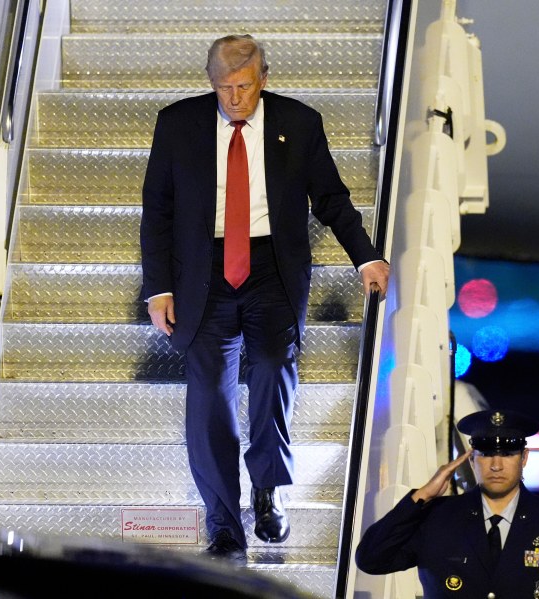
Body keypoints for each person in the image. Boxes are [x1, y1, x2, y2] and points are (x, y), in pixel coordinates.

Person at [140, 34, 390, 565]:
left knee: (274, 371)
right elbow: (157, 209)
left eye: (245, 87)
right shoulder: (178, 124)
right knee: (209, 395)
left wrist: (366, 256)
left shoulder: (298, 124)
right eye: (224, 88)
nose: (234, 98)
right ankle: (225, 526)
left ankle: (268, 489)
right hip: (202, 275)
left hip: (271, 270)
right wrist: (159, 288)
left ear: (265, 79)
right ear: (211, 84)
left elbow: (330, 198)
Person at [355, 409, 539, 598]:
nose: (496, 465)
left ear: (524, 457)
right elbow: (371, 559)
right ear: (472, 459)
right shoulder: (437, 518)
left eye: (508, 454)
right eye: (486, 454)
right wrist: (421, 496)